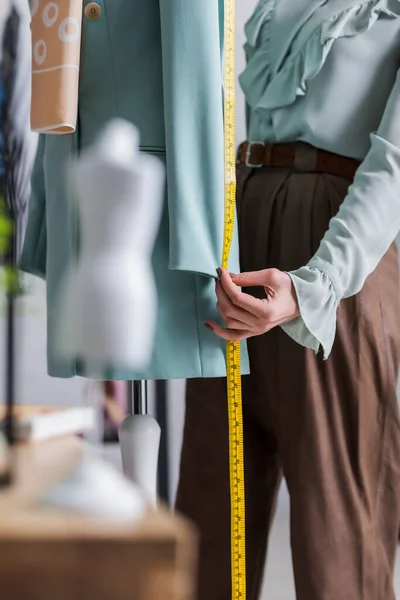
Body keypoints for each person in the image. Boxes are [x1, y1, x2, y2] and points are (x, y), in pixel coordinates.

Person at [176, 1, 400, 599]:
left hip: (333, 252)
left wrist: (315, 285)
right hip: (239, 238)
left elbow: (394, 166)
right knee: (207, 525)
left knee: (337, 537)